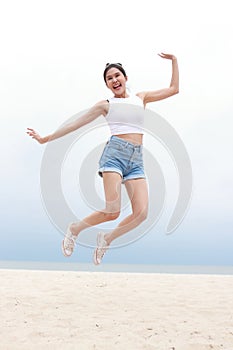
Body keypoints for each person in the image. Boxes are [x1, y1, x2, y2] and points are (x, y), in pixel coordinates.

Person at [27, 52, 179, 265]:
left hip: (136, 160)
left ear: (125, 78)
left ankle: (107, 239)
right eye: (109, 78)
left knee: (142, 213)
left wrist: (174, 61)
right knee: (112, 211)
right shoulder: (105, 104)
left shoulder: (141, 98)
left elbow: (174, 89)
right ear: (107, 85)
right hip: (114, 156)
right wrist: (45, 139)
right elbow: (75, 124)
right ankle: (74, 229)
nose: (114, 80)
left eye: (117, 75)